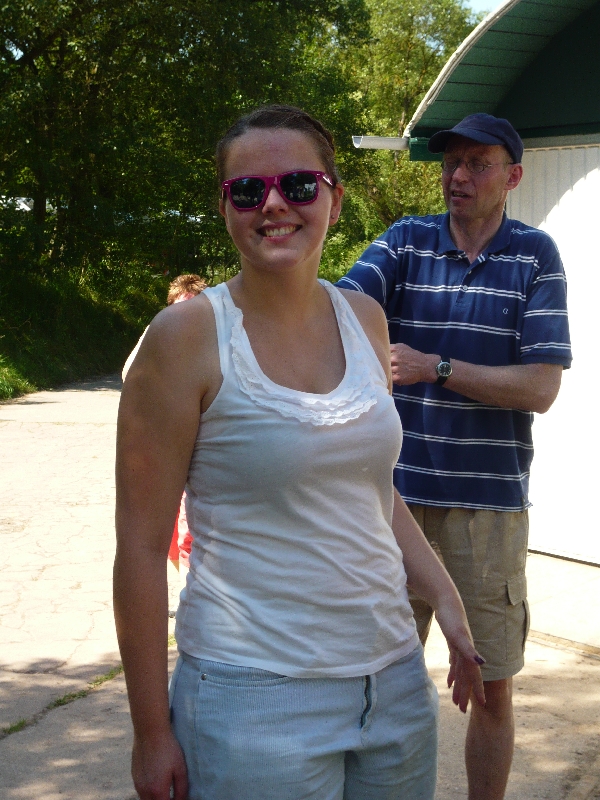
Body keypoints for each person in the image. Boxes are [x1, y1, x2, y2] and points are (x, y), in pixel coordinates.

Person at [114, 104, 485, 800]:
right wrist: (150, 731)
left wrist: (445, 597)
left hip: (394, 687)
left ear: (334, 200)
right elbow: (139, 546)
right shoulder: (184, 338)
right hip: (251, 700)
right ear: (225, 208)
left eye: (299, 184)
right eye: (248, 190)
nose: (274, 204)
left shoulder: (365, 319)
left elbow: (371, 491)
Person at [337, 113, 572, 800]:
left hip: (487, 511)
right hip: (392, 505)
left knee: (491, 688)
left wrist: (434, 367)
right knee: (372, 682)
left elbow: (541, 387)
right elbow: (341, 306)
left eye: (477, 164)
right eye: (450, 163)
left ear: (513, 177)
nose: (458, 176)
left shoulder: (535, 257)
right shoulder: (405, 242)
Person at [122, 273, 207, 584]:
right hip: (165, 449)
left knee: (190, 526)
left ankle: (191, 589)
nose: (185, 315)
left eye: (193, 307)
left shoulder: (216, 338)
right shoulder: (159, 334)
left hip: (203, 450)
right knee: (168, 530)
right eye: (178, 307)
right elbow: (129, 374)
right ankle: (186, 586)